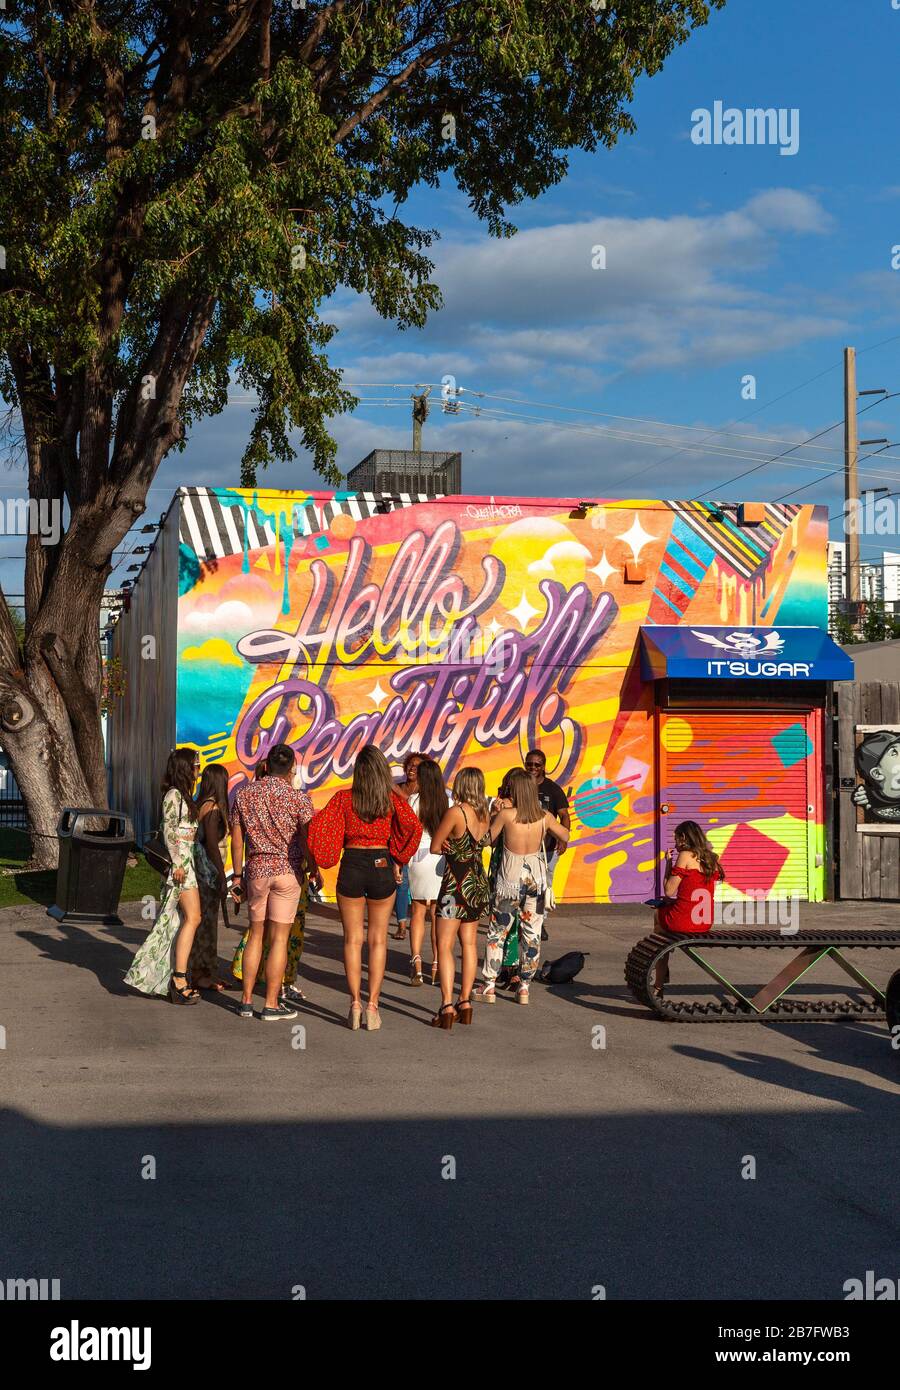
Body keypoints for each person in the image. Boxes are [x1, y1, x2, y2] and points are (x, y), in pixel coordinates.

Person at [307, 744, 421, 1030]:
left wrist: (324, 855)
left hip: (353, 862)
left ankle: (355, 1003)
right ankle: (373, 1005)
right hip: (382, 862)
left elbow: (318, 826)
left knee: (352, 939)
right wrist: (399, 859)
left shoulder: (344, 798)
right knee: (378, 940)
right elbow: (413, 827)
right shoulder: (390, 800)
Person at [230, 742, 316, 1022]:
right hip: (288, 871)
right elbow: (306, 838)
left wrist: (238, 875)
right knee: (279, 939)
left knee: (255, 934)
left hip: (256, 869)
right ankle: (270, 1003)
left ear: (266, 765)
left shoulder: (244, 795)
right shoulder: (298, 799)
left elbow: (238, 838)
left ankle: (245, 1001)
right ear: (291, 768)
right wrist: (314, 867)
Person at [482, 768, 570, 1006]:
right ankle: (524, 987)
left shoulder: (507, 815)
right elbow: (565, 834)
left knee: (497, 933)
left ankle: (489, 985)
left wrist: (493, 814)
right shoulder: (543, 816)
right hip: (536, 881)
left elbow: (487, 841)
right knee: (531, 935)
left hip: (509, 882)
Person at [125, 748, 204, 1004]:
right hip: (180, 867)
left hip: (185, 863)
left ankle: (175, 976)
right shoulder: (173, 796)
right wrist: (179, 863)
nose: (198, 770)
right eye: (195, 765)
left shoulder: (183, 795)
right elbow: (169, 829)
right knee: (193, 917)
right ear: (184, 768)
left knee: (176, 921)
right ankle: (179, 979)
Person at [429, 768, 492, 1029]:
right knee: (469, 944)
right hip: (477, 882)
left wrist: (445, 846)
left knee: (444, 945)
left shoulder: (456, 812)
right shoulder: (484, 814)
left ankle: (446, 1005)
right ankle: (465, 1001)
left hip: (456, 884)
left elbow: (435, 845)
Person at [652, 821, 724, 997]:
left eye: (676, 838)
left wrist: (668, 865)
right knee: (667, 913)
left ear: (683, 838)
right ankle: (663, 965)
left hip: (683, 922)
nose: (675, 843)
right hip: (704, 923)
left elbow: (669, 891)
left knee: (658, 919)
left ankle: (659, 983)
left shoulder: (684, 855)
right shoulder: (712, 858)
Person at [406, 757, 450, 987]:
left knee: (417, 912)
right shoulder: (447, 800)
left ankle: (416, 961)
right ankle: (436, 963)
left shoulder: (414, 800)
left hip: (418, 857)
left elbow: (410, 831)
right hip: (440, 857)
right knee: (436, 914)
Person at [189, 763, 231, 992]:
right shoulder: (213, 808)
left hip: (199, 871)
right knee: (207, 924)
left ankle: (204, 971)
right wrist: (222, 875)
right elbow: (213, 845)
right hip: (208, 873)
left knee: (202, 921)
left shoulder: (200, 804)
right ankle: (201, 974)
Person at [524, 749, 570, 931]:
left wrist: (563, 838)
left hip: (547, 848)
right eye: (529, 764)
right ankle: (523, 921)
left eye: (537, 765)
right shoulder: (519, 785)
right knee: (523, 886)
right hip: (523, 848)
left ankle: (540, 922)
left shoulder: (553, 789)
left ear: (544, 767)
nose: (532, 767)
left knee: (544, 885)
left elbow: (564, 815)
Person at [391, 752, 422, 939]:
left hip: (421, 845)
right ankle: (402, 926)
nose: (412, 768)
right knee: (401, 885)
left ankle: (419, 922)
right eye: (410, 765)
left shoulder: (426, 792)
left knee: (419, 889)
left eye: (417, 766)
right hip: (400, 842)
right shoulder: (399, 788)